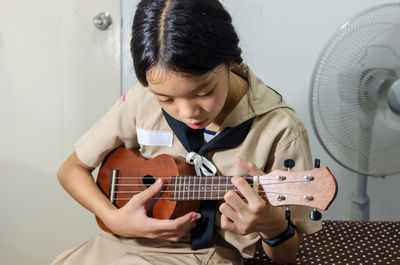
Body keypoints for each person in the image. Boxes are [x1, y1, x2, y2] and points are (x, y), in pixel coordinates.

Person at [51, 0, 321, 264]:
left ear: (230, 61)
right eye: (165, 99)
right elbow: (71, 170)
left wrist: (274, 229)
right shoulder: (141, 99)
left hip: (205, 253)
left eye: (203, 92)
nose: (187, 112)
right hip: (119, 240)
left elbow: (286, 254)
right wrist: (113, 218)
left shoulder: (281, 129)